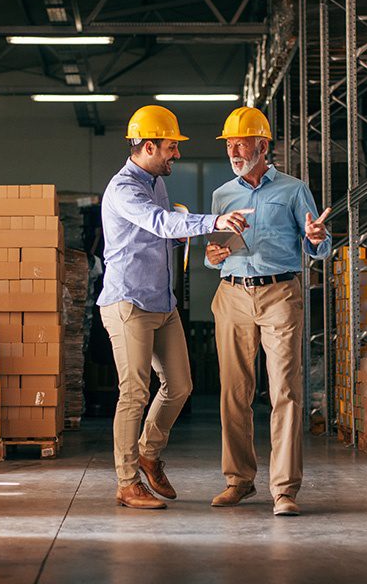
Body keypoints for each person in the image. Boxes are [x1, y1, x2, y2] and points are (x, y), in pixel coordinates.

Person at [98, 104, 253, 510]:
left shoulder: (155, 181)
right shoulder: (125, 189)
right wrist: (213, 222)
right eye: (171, 147)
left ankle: (148, 453)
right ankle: (127, 481)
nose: (176, 154)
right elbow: (161, 223)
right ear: (148, 146)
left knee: (180, 385)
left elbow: (164, 227)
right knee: (133, 392)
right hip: (128, 301)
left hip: (161, 302)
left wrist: (183, 236)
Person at [204, 106, 331, 517]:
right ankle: (238, 481)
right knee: (234, 392)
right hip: (233, 293)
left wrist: (316, 237)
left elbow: (319, 245)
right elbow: (214, 254)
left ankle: (284, 490)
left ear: (263, 145)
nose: (234, 150)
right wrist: (212, 254)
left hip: (279, 294)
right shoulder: (222, 195)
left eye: (241, 143)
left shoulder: (294, 190)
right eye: (229, 144)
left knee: (285, 392)